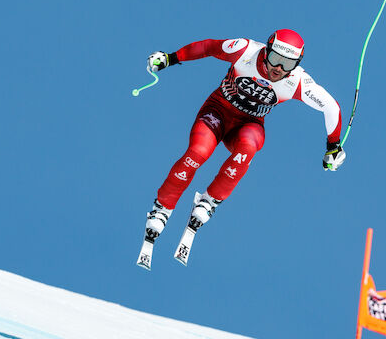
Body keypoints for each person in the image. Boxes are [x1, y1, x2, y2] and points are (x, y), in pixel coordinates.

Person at [143, 29, 346, 245]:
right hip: (218, 112)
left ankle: (209, 201)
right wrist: (170, 58)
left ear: (297, 63)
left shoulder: (297, 81)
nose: (278, 68)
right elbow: (209, 47)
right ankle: (163, 207)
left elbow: (331, 107)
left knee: (248, 148)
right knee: (197, 153)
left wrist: (333, 146)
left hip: (248, 125)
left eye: (287, 64)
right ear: (267, 50)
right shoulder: (245, 50)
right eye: (275, 59)